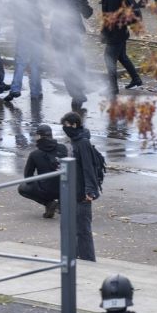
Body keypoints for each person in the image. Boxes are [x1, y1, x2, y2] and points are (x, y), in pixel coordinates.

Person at [49, 0, 94, 111]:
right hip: (73, 33)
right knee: (78, 60)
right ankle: (78, 89)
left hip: (58, 33)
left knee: (65, 63)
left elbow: (46, 7)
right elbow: (88, 14)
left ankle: (76, 91)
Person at [60, 112, 101, 262]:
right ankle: (76, 257)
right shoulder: (75, 140)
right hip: (75, 191)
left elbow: (88, 168)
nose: (65, 129)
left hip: (82, 193)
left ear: (74, 125)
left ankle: (88, 260)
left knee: (83, 230)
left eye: (66, 126)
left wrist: (90, 191)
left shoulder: (82, 142)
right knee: (75, 228)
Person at [101, 0, 142, 96]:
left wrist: (104, 33)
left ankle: (113, 88)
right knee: (122, 57)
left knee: (109, 59)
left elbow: (111, 18)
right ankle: (136, 79)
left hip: (116, 35)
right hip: (121, 32)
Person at [4, 0, 44, 102]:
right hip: (37, 32)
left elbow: (8, 12)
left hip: (23, 33)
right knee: (35, 64)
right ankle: (35, 92)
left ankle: (15, 89)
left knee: (21, 62)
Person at [19, 124, 68, 218]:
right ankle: (61, 204)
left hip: (46, 189)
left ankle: (48, 203)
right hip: (64, 188)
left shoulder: (35, 154)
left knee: (22, 188)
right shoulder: (62, 148)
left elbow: (28, 178)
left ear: (38, 136)